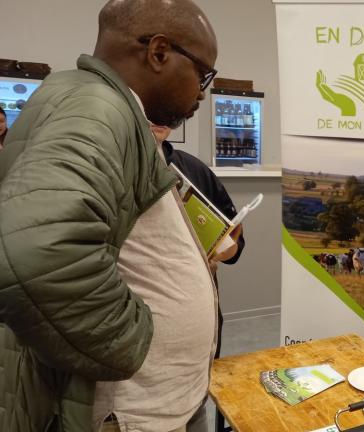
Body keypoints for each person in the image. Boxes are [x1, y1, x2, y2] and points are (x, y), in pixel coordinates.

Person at [0, 0, 219, 430]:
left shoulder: (106, 107)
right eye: (203, 74)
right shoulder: (99, 109)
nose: (202, 92)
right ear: (158, 53)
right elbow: (35, 253)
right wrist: (131, 342)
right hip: (130, 411)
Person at [150, 123, 245, 360]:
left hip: (200, 315)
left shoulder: (193, 169)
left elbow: (235, 241)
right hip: (146, 321)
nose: (159, 116)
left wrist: (224, 250)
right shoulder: (114, 171)